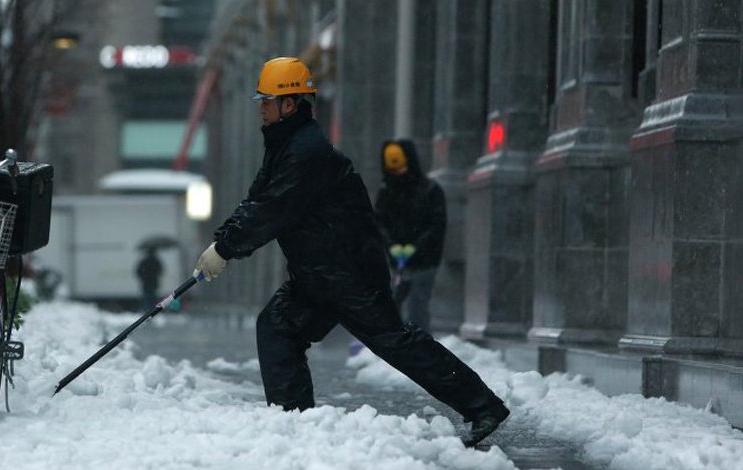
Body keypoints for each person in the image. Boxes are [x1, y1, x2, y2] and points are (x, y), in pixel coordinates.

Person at [192, 56, 508, 447]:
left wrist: (226, 249)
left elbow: (275, 208)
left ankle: (483, 406)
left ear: (289, 104)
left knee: (395, 342)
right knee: (277, 326)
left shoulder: (306, 153)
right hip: (319, 275)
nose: (261, 107)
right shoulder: (285, 146)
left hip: (349, 275)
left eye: (267, 100)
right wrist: (221, 241)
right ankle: (295, 423)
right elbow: (257, 200)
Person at [374, 139, 446, 333]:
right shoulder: (386, 192)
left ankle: (419, 349)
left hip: (425, 262)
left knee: (417, 309)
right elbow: (379, 222)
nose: (397, 174)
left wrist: (415, 246)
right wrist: (392, 246)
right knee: (393, 305)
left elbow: (436, 226)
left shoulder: (430, 191)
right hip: (398, 262)